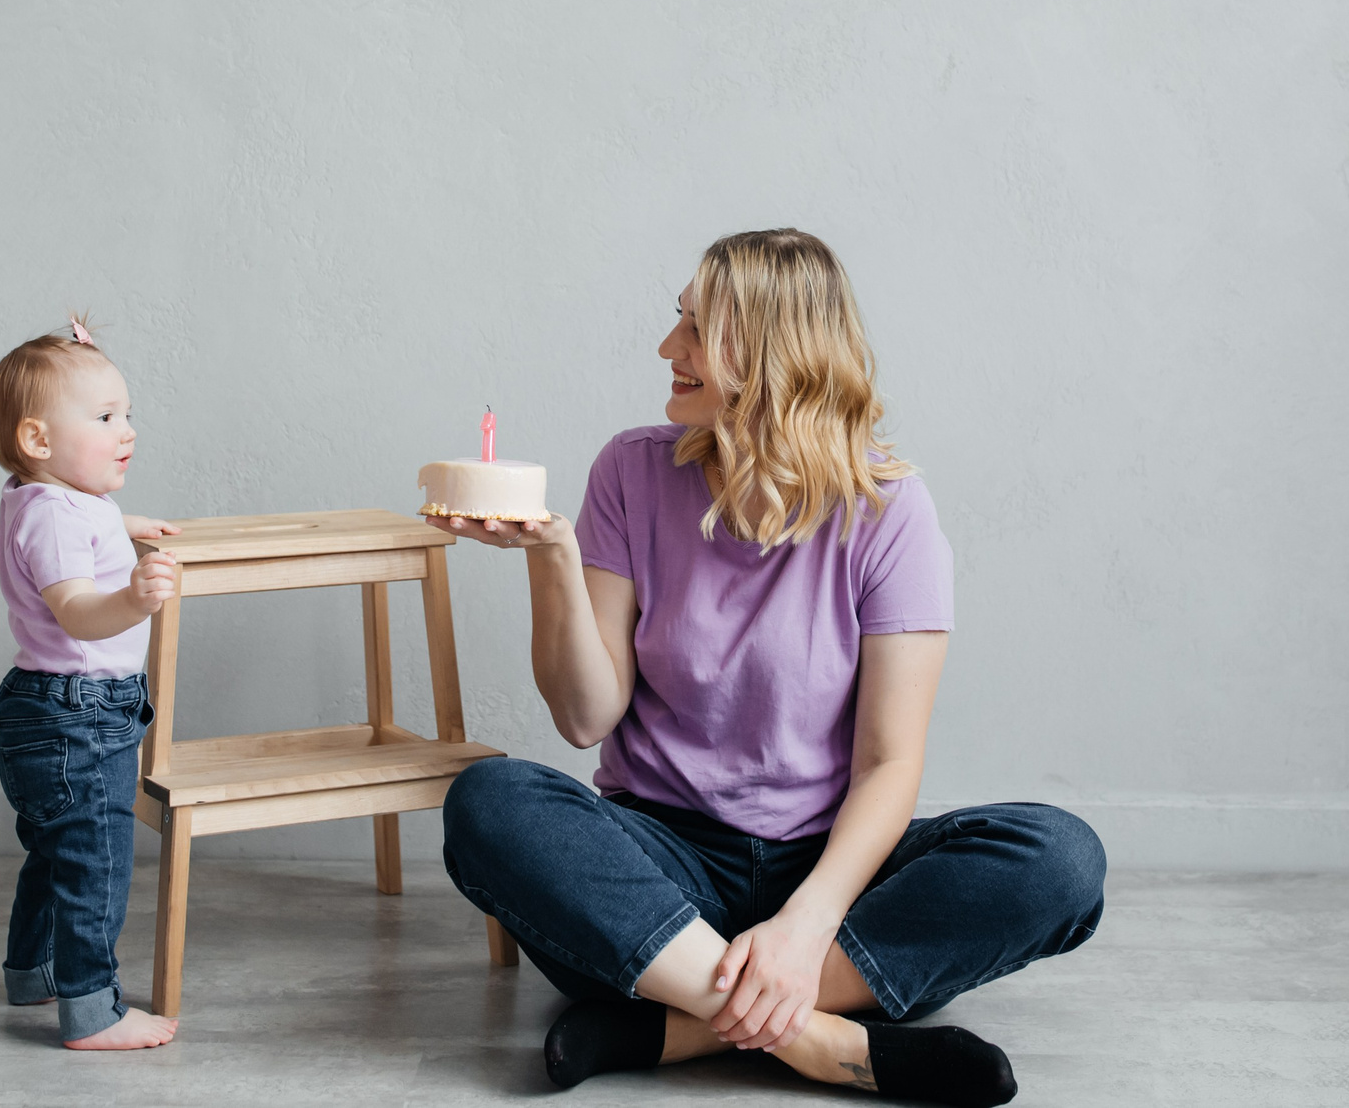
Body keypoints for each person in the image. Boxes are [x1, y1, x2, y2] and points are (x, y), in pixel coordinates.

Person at [432, 230, 1104, 1106]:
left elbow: (888, 763)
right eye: (678, 319)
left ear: (770, 353)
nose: (667, 346)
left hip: (830, 872)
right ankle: (823, 1040)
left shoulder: (891, 512)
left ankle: (677, 1024)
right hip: (660, 866)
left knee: (1061, 859)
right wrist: (552, 555)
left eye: (695, 328)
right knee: (489, 801)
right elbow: (586, 717)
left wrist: (807, 921)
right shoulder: (630, 471)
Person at [0, 317, 185, 1049]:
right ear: (38, 440)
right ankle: (94, 1010)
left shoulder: (43, 498)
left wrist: (124, 524)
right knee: (96, 859)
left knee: (55, 853)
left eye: (126, 413)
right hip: (80, 715)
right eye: (104, 418)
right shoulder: (58, 518)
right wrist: (133, 598)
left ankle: (33, 970)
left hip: (46, 707)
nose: (127, 430)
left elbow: (77, 521)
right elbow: (75, 609)